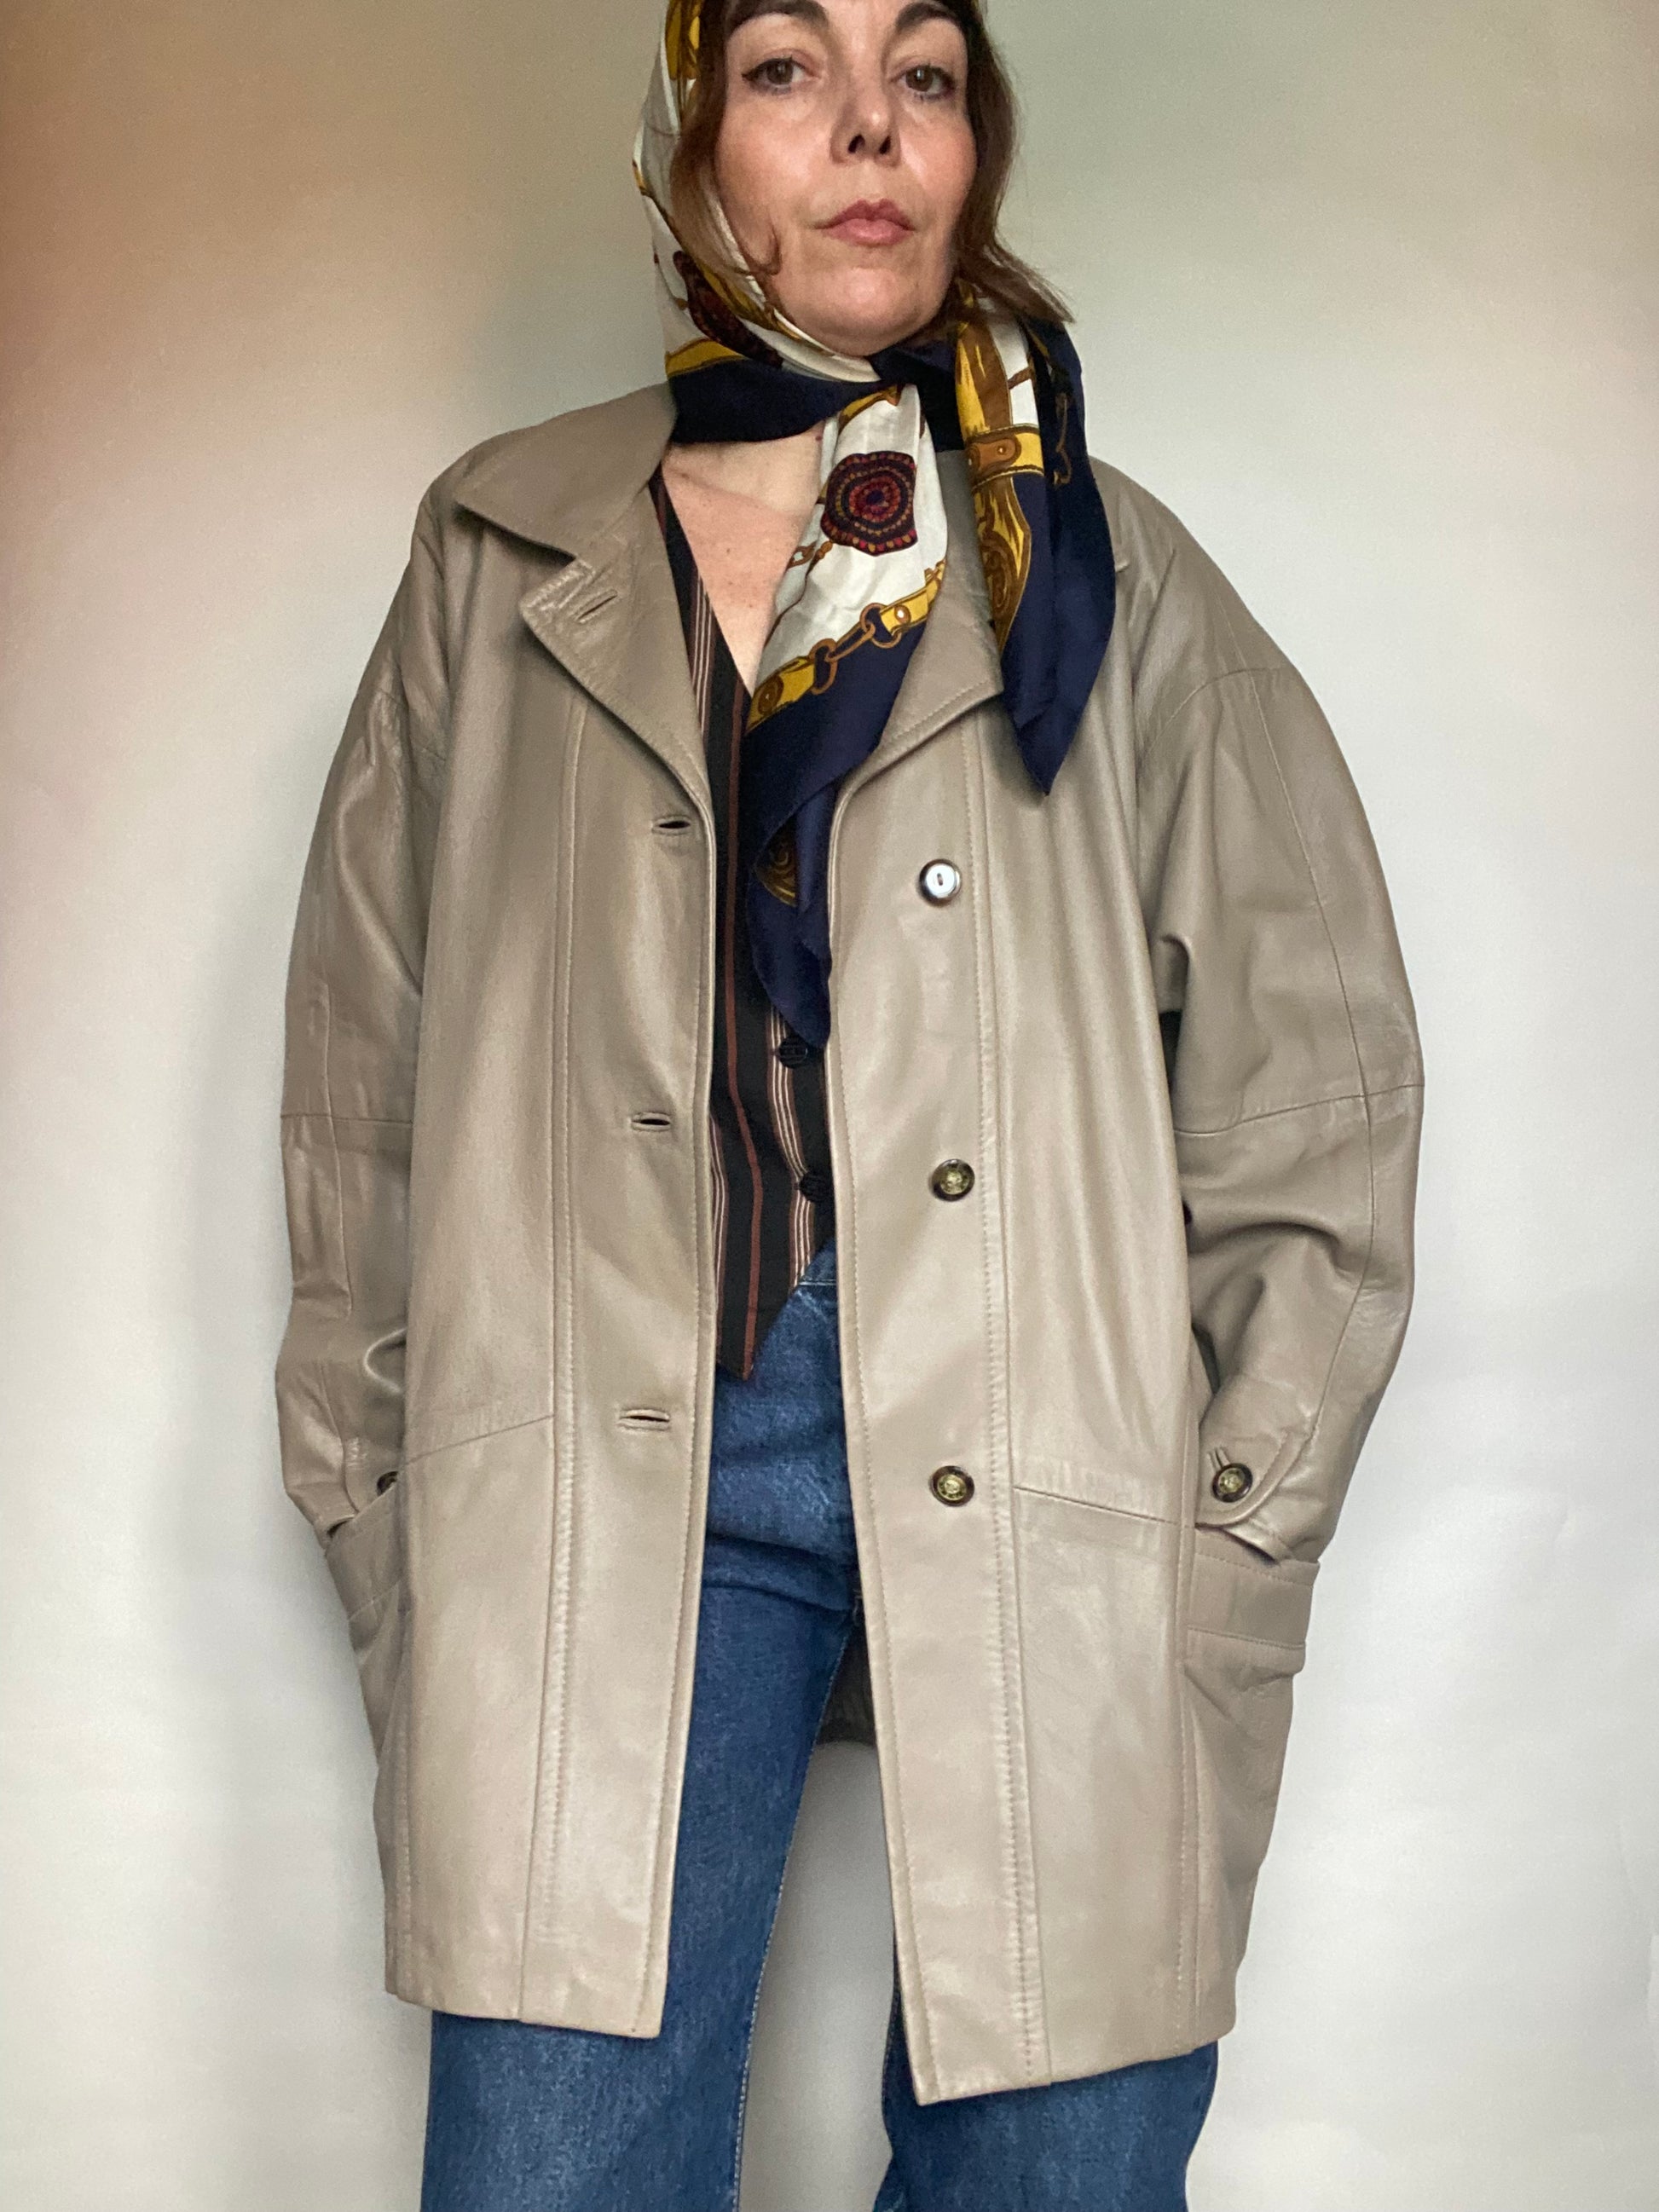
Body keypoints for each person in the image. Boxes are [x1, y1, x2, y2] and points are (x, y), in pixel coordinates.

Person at [273, 0, 1424, 2204]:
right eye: (788, 69)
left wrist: (1230, 1526)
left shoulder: (1097, 565)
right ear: (690, 141)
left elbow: (1315, 1081)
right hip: (606, 1451)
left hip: (1048, 1431)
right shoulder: (500, 547)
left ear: (977, 144)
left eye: (927, 73)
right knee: (551, 2165)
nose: (870, 128)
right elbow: (366, 1080)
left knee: (1061, 2162)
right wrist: (385, 1491)